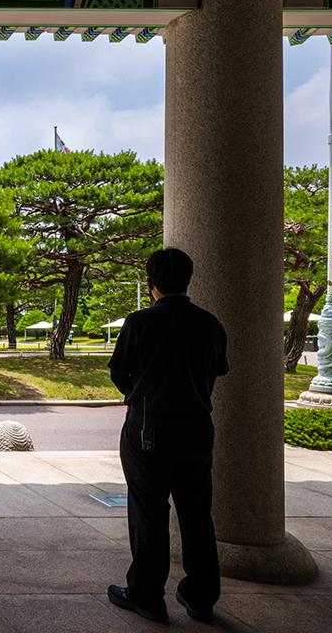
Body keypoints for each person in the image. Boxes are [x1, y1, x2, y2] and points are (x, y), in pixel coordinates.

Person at [106, 247, 229, 624]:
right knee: (197, 514)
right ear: (188, 280)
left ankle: (147, 595)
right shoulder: (210, 324)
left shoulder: (139, 323)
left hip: (149, 429)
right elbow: (217, 370)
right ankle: (201, 596)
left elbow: (119, 373)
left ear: (151, 282)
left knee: (149, 512)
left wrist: (140, 393)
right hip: (197, 427)